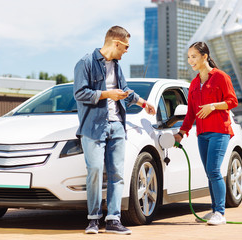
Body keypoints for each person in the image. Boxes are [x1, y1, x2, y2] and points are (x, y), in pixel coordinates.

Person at [73, 26, 156, 234]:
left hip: (117, 125)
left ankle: (113, 220)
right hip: (93, 127)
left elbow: (124, 91)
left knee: (117, 173)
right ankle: (93, 219)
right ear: (116, 43)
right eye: (126, 46)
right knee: (94, 172)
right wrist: (106, 94)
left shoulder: (117, 66)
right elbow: (80, 94)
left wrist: (143, 102)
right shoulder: (85, 63)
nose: (127, 50)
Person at [174, 41, 238, 226]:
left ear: (204, 56)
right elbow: (191, 113)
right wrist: (181, 132)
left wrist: (213, 106)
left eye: (194, 56)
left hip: (219, 131)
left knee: (214, 170)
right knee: (209, 173)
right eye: (188, 57)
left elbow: (232, 101)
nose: (190, 60)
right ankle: (214, 210)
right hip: (202, 134)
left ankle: (220, 213)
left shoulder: (221, 77)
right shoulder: (193, 83)